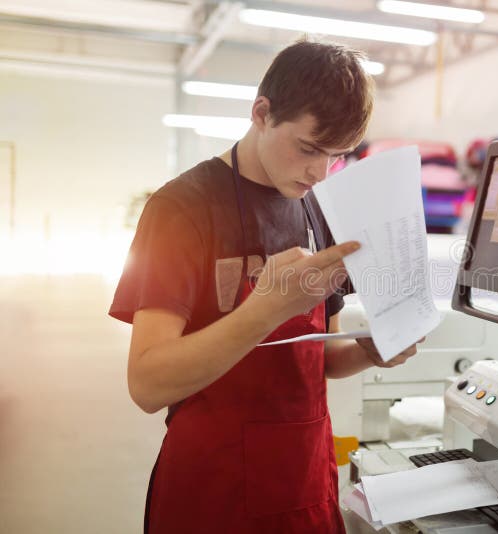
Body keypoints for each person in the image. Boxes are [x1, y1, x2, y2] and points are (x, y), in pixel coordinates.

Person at [109, 40, 422, 533]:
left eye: (338, 157)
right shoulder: (181, 210)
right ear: (261, 112)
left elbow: (320, 359)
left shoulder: (317, 208)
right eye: (308, 149)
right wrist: (265, 311)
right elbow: (148, 384)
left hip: (304, 479)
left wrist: (371, 351)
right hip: (214, 488)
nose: (320, 172)